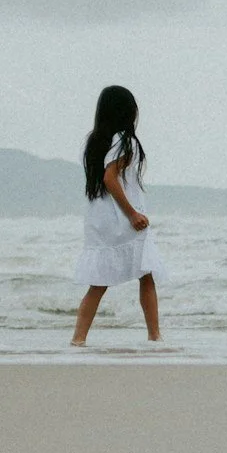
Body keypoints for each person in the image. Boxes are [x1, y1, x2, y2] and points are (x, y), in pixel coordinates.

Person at [70, 84, 161, 346]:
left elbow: (102, 178)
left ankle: (78, 339)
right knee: (146, 275)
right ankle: (155, 337)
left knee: (98, 283)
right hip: (123, 218)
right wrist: (133, 213)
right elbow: (111, 177)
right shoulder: (125, 140)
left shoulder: (93, 141)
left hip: (100, 219)